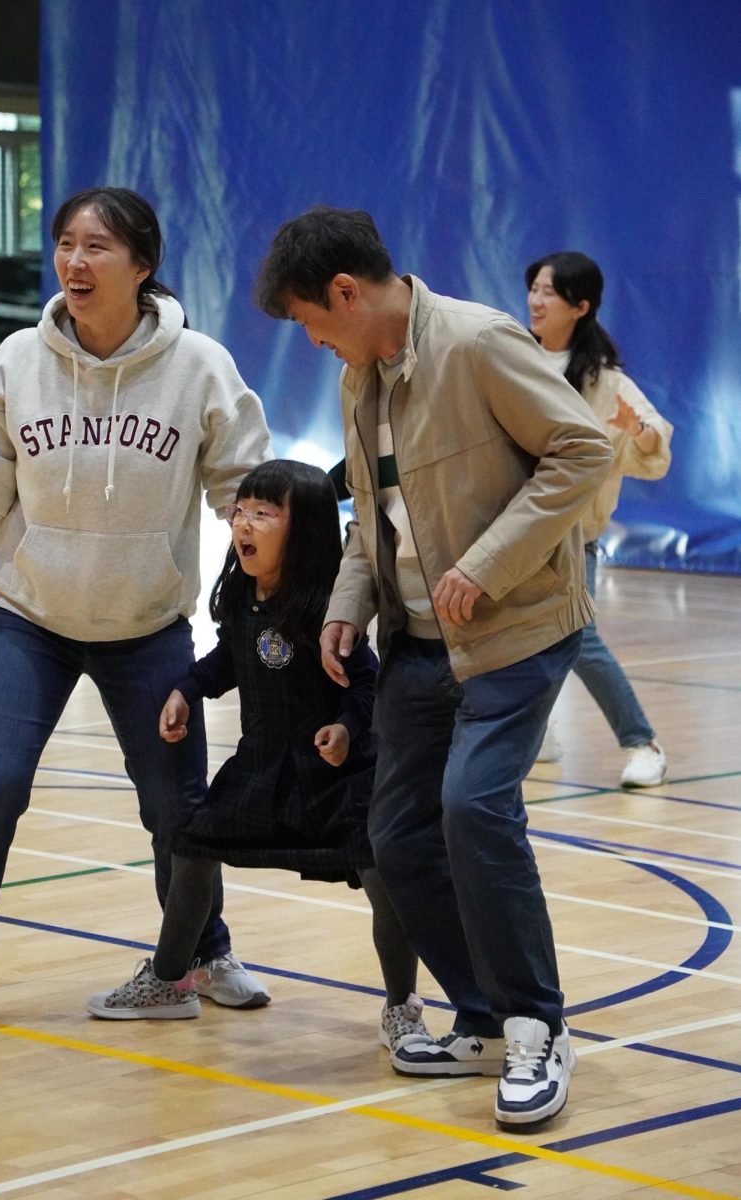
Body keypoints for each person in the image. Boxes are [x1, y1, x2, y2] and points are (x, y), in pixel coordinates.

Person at [0, 186, 272, 1042]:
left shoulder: (200, 366)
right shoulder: (18, 361)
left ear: (142, 264)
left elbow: (244, 494)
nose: (74, 261)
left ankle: (200, 952)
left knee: (177, 807)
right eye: (64, 244)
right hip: (30, 621)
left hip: (148, 627)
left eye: (96, 246)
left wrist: (283, 603)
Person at [254, 207, 614, 1131]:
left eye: (311, 320)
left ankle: (539, 1028)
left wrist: (488, 562)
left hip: (517, 631)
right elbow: (375, 522)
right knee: (398, 840)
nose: (312, 340)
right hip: (414, 647)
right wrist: (345, 609)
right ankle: (486, 1018)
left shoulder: (476, 342)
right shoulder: (357, 378)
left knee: (474, 807)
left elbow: (581, 449)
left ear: (346, 291)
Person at [88, 460, 428, 1053]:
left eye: (264, 513)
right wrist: (187, 690)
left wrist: (347, 728)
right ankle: (171, 981)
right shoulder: (243, 594)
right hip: (261, 763)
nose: (244, 523)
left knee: (384, 877)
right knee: (192, 846)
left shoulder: (329, 607)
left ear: (306, 531)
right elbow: (230, 658)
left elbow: (368, 684)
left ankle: (402, 1006)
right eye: (240, 511)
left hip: (338, 776)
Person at [526, 252, 673, 787]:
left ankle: (643, 743)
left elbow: (654, 437)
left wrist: (638, 431)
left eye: (549, 292)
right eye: (534, 288)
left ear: (580, 306)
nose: (535, 301)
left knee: (579, 638)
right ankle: (536, 734)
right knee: (512, 638)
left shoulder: (605, 381)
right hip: (511, 532)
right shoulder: (512, 357)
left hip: (571, 538)